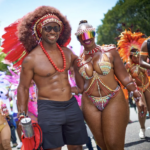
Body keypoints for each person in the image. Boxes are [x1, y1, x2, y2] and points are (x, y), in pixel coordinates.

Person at [2, 6, 88, 150]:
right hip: (49, 109)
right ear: (40, 31)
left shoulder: (67, 53)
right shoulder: (31, 59)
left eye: (56, 28)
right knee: (53, 148)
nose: (52, 31)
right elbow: (22, 87)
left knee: (77, 147)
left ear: (61, 30)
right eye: (48, 28)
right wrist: (22, 114)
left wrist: (80, 87)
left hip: (71, 105)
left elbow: (78, 67)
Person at [74, 20, 147, 150]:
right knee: (103, 145)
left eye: (89, 33)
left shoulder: (110, 51)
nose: (86, 38)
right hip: (90, 103)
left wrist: (138, 96)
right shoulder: (77, 62)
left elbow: (124, 76)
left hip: (113, 98)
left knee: (114, 144)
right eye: (82, 35)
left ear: (94, 33)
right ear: (78, 38)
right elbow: (80, 88)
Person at [117, 29, 150, 138]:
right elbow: (126, 79)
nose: (136, 56)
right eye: (133, 55)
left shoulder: (145, 61)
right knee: (142, 109)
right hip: (137, 90)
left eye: (137, 54)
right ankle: (142, 128)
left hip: (148, 86)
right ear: (130, 56)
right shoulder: (127, 66)